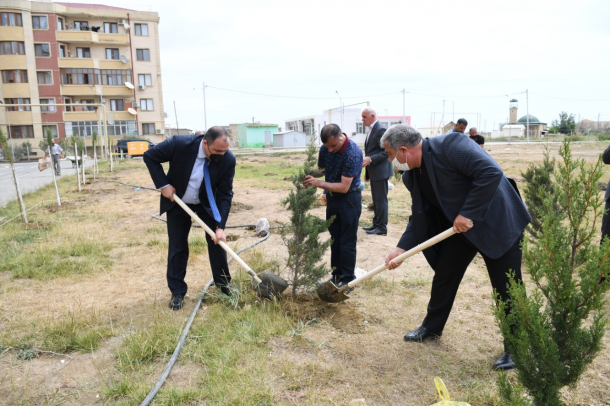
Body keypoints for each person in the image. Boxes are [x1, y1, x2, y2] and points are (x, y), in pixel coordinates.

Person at [380, 124, 531, 371]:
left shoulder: (452, 145)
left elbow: (491, 172)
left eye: (389, 155)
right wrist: (401, 249)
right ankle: (431, 327)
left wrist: (468, 213)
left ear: (404, 150)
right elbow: (421, 214)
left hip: (497, 220)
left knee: (507, 286)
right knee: (445, 274)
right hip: (460, 229)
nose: (390, 162)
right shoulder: (411, 175)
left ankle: (517, 347)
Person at [144, 127, 236, 310]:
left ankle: (224, 285)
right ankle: (177, 292)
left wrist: (220, 227)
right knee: (178, 246)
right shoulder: (180, 144)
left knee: (217, 243)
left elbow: (225, 194)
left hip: (206, 203)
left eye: (224, 151)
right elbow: (150, 156)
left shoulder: (228, 159)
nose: (221, 155)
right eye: (217, 151)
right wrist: (163, 185)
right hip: (179, 202)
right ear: (205, 143)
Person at [303, 124, 363, 287]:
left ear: (340, 137)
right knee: (335, 238)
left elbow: (344, 187)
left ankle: (348, 278)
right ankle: (336, 276)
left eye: (333, 146)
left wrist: (318, 183)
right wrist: (309, 176)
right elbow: (323, 170)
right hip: (333, 198)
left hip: (349, 199)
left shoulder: (353, 153)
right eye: (326, 146)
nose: (329, 150)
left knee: (347, 240)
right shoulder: (326, 148)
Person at [361, 107, 394, 236]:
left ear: (373, 116)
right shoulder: (372, 130)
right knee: (376, 200)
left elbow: (386, 152)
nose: (362, 119)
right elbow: (371, 151)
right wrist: (368, 172)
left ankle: (381, 227)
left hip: (381, 172)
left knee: (381, 200)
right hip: (375, 171)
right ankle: (376, 224)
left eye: (364, 117)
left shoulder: (381, 129)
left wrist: (370, 159)